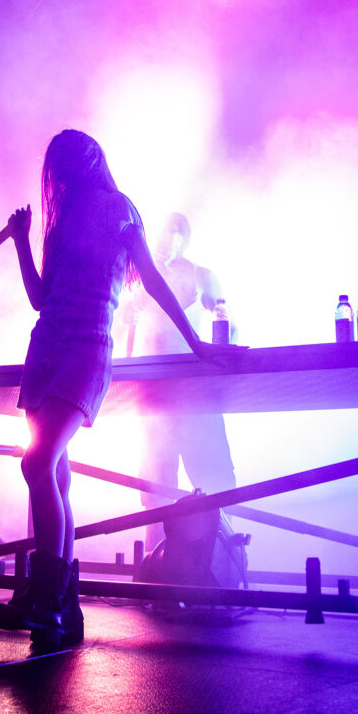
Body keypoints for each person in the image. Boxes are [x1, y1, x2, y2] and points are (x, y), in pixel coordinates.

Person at [0, 131, 232, 647]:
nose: (64, 176)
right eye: (59, 169)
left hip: (87, 347)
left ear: (89, 162)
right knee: (56, 475)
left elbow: (155, 282)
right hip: (46, 345)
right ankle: (62, 608)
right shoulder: (62, 218)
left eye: (69, 165)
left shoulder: (119, 209)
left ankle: (45, 597)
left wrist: (198, 344)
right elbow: (39, 297)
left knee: (37, 463)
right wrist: (24, 241)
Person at [124, 212, 237, 554]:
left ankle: (226, 567)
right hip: (154, 395)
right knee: (156, 490)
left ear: (183, 239)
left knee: (215, 485)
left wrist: (217, 366)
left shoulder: (202, 277)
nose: (163, 241)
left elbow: (228, 325)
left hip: (196, 394)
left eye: (172, 233)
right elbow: (126, 339)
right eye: (159, 233)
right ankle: (153, 573)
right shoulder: (140, 285)